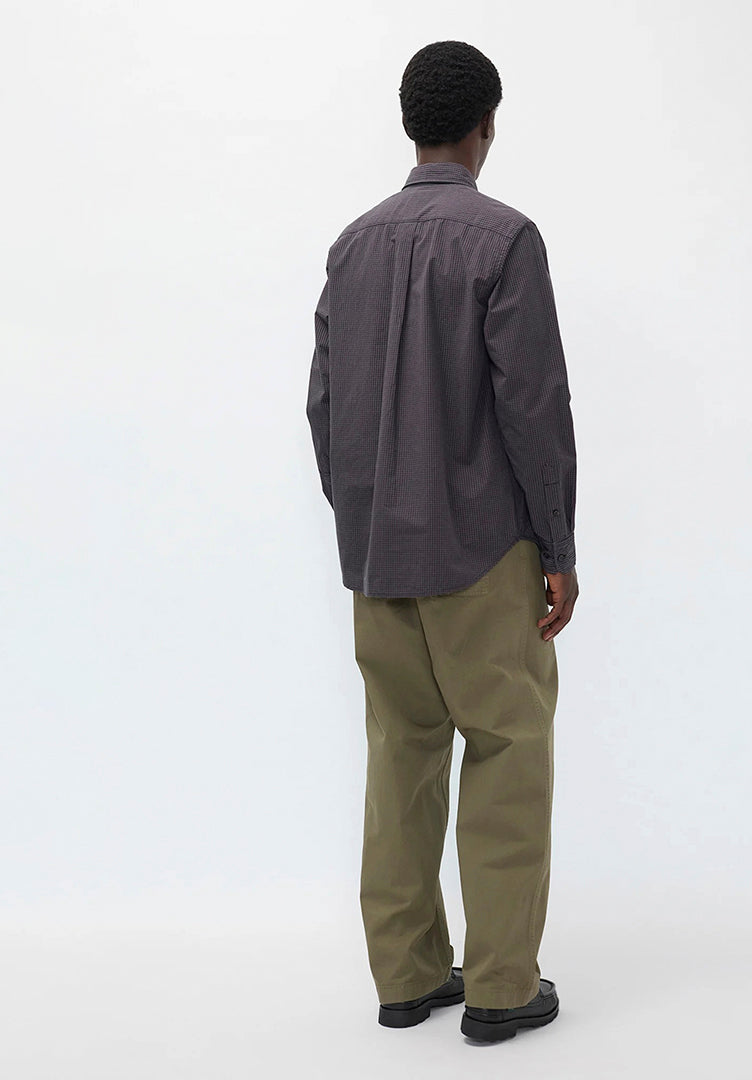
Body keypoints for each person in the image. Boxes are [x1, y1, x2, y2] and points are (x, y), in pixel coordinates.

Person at [306, 39, 578, 1043]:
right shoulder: (505, 240)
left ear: (410, 124)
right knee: (507, 750)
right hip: (483, 551)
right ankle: (501, 987)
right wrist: (557, 546)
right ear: (486, 125)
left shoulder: (352, 245)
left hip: (380, 556)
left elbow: (323, 405)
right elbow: (534, 409)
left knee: (399, 757)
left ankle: (409, 976)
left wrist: (362, 518)